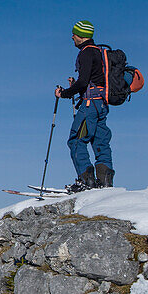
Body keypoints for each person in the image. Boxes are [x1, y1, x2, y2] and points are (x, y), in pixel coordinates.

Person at [56, 20, 114, 191]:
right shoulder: (99, 53)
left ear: (81, 36)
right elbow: (91, 80)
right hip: (102, 104)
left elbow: (82, 83)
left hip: (90, 106)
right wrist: (77, 85)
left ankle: (85, 181)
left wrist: (64, 93)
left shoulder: (86, 53)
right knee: (101, 142)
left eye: (74, 34)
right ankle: (105, 182)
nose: (72, 37)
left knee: (76, 140)